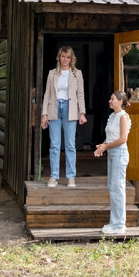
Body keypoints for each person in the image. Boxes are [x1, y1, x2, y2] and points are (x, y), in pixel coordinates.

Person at [40, 45, 87, 187]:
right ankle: (54, 177)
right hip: (54, 108)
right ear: (58, 57)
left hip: (70, 109)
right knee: (54, 145)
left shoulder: (77, 74)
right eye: (63, 56)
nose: (65, 59)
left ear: (72, 58)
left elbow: (80, 94)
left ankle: (71, 177)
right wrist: (44, 114)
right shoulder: (52, 73)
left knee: (70, 145)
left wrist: (82, 113)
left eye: (68, 57)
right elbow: (47, 94)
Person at [94, 90, 131, 234]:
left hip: (119, 153)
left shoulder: (123, 116)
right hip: (111, 153)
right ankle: (114, 223)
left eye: (113, 99)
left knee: (118, 189)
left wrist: (106, 146)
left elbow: (123, 139)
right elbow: (110, 137)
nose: (110, 101)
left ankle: (119, 226)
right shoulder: (112, 116)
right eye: (110, 99)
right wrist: (102, 147)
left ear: (120, 101)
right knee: (112, 187)